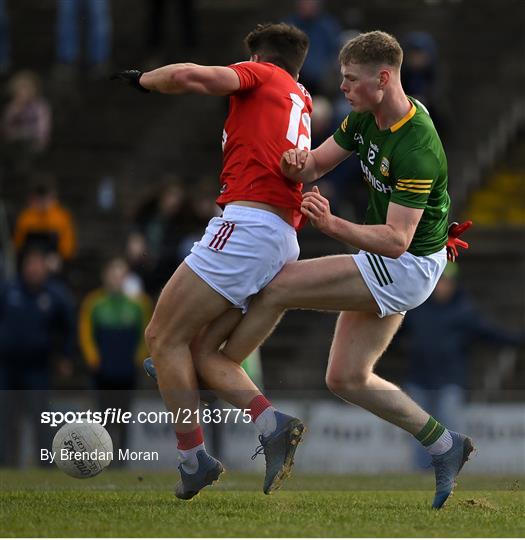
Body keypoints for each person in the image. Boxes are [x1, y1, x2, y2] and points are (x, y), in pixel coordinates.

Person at [192, 30, 474, 509]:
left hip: (402, 264)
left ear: (383, 79)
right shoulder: (364, 117)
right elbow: (315, 166)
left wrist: (332, 223)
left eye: (350, 80)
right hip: (393, 258)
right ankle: (445, 445)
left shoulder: (417, 146)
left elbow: (395, 239)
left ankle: (217, 364)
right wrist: (295, 161)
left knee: (278, 285)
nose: (341, 88)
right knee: (346, 377)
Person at [112, 23, 311, 498]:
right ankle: (270, 424)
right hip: (279, 232)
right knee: (197, 350)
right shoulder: (299, 95)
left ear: (262, 59)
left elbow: (190, 77)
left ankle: (192, 459)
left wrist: (143, 80)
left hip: (248, 226)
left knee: (161, 335)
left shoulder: (261, 76)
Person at [401, 262, 523, 469]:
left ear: (454, 284)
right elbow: (393, 333)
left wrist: (518, 339)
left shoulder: (464, 312)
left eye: (446, 282)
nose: (442, 287)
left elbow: (492, 333)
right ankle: (420, 475)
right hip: (418, 380)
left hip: (450, 381)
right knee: (419, 430)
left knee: (448, 429)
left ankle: (448, 472)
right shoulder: (417, 309)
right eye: (439, 282)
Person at [0, 247, 75, 466]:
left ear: (45, 268)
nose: (33, 269)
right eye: (29, 264)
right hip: (7, 366)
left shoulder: (55, 295)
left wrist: (65, 356)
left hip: (38, 367)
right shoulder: (8, 290)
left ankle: (45, 463)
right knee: (5, 417)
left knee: (41, 417)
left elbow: (68, 327)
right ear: (23, 267)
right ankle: (5, 462)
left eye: (38, 264)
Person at [79, 257, 151, 460]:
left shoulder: (138, 304)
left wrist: (138, 358)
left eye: (121, 275)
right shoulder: (94, 302)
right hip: (102, 369)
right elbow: (85, 331)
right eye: (113, 274)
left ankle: (121, 457)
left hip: (127, 369)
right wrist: (92, 357)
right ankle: (104, 456)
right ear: (105, 277)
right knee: (103, 415)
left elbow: (145, 334)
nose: (117, 279)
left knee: (124, 415)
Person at [13, 181, 76, 275]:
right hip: (29, 259)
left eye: (45, 198)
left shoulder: (61, 217)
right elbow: (18, 244)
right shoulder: (26, 217)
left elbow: (68, 249)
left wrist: (59, 257)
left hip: (52, 260)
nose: (42, 202)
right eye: (39, 198)